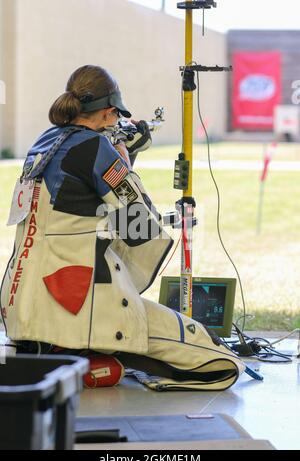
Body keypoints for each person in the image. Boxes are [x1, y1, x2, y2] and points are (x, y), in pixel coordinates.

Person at [0, 65, 245, 390]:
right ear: (109, 112)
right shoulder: (96, 148)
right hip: (78, 301)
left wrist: (121, 157)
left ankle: (66, 354)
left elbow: (81, 207)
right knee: (223, 364)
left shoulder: (42, 144)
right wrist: (125, 163)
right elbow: (140, 228)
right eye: (116, 118)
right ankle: (82, 361)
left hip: (20, 309)